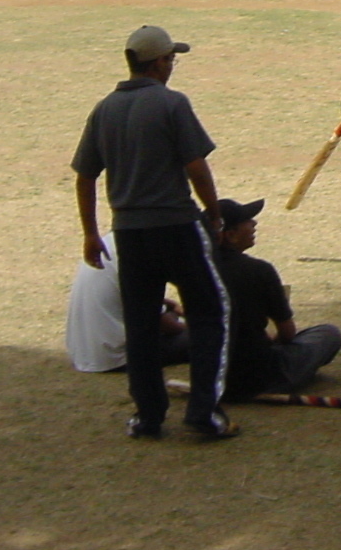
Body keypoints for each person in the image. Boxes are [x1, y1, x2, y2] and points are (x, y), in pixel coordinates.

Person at [71, 25, 234, 440]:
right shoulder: (171, 103)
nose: (173, 66)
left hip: (128, 231)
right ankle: (204, 412)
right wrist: (214, 213)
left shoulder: (104, 109)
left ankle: (147, 416)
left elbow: (85, 175)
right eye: (171, 59)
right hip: (176, 225)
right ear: (158, 62)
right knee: (212, 311)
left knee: (140, 326)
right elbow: (196, 166)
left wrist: (91, 233)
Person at [214, 198, 341, 401]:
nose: (254, 224)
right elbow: (287, 332)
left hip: (213, 375)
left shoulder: (195, 271)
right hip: (261, 376)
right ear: (230, 235)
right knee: (328, 334)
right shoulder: (259, 270)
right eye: (248, 221)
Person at [66, 238, 190, 374]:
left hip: (85, 351)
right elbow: (159, 322)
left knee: (174, 317)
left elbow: (121, 293)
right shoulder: (142, 252)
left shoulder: (110, 242)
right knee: (208, 336)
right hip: (117, 356)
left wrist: (168, 305)